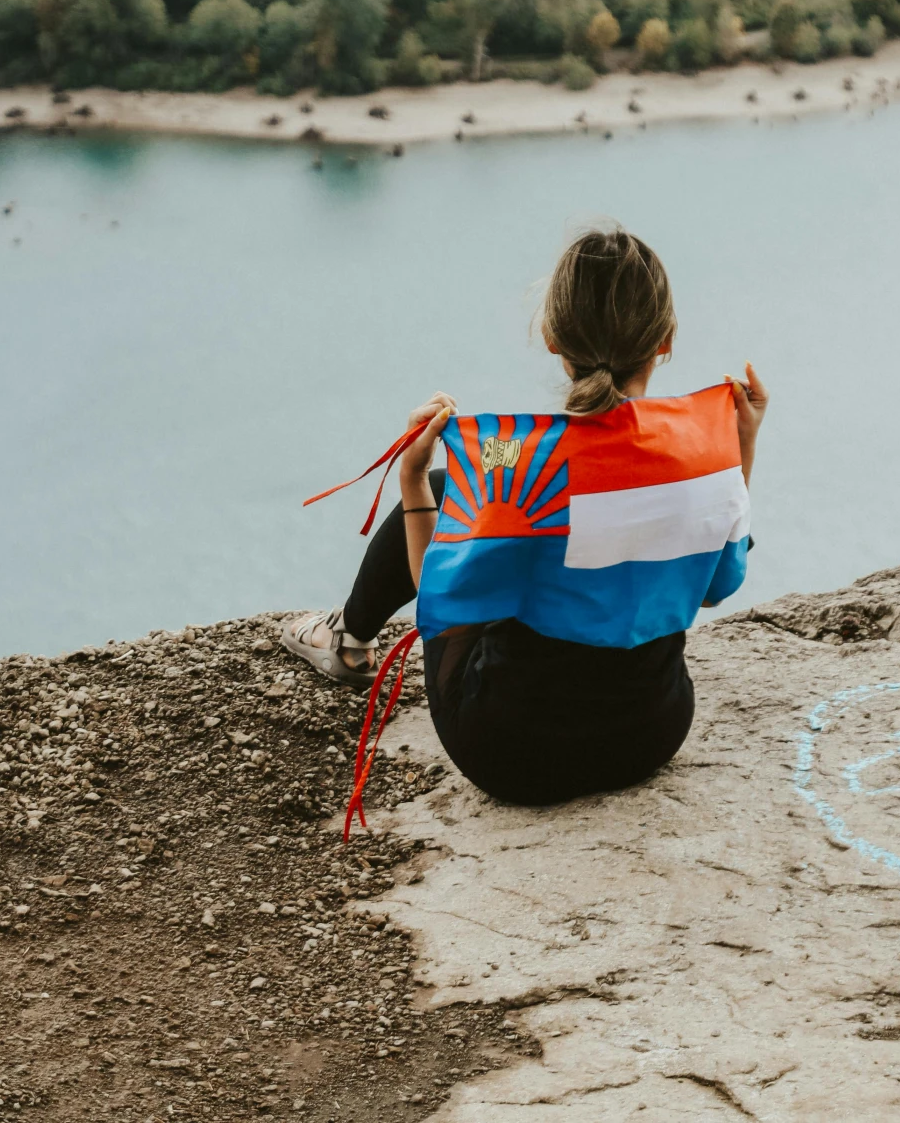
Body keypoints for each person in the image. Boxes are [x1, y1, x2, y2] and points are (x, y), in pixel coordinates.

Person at [279, 226, 768, 807]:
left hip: (511, 757)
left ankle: (347, 640)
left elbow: (440, 609)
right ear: (665, 340)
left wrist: (412, 480)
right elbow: (712, 591)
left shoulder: (511, 469)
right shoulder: (698, 457)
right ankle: (351, 633)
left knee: (448, 493)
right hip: (650, 737)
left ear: (552, 337)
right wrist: (739, 449)